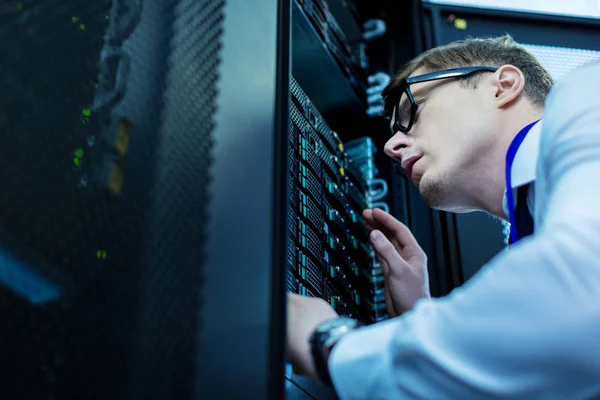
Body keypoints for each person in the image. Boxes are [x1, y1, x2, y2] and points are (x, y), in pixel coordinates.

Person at [287, 34, 600, 399]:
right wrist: (418, 316)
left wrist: (332, 344)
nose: (390, 146)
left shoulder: (585, 96)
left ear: (503, 86)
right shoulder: (534, 233)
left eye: (411, 111)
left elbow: (582, 290)